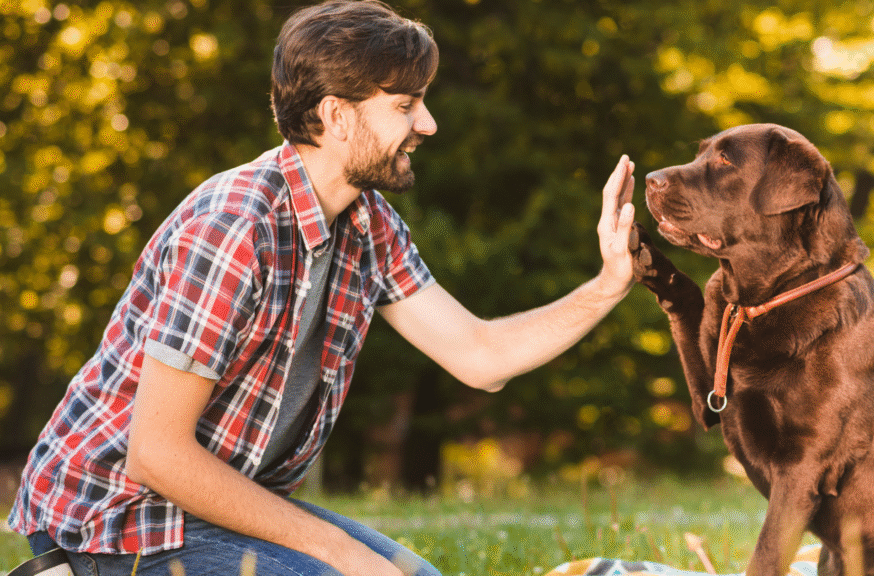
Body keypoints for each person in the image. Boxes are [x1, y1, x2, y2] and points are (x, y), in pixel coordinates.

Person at [7, 1, 637, 574]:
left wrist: (608, 285)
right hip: (117, 516)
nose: (429, 124)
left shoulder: (368, 225)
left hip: (211, 502)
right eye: (405, 105)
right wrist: (343, 555)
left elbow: (480, 357)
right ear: (337, 116)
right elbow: (158, 455)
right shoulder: (234, 228)